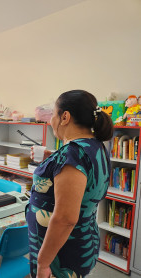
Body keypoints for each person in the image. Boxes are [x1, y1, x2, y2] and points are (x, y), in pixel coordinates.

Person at [27, 90, 113, 278]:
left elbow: (65, 218)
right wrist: (54, 157)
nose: (50, 122)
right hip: (81, 241)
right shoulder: (96, 146)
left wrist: (43, 263)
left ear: (64, 117)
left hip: (60, 254)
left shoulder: (72, 155)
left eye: (53, 115)